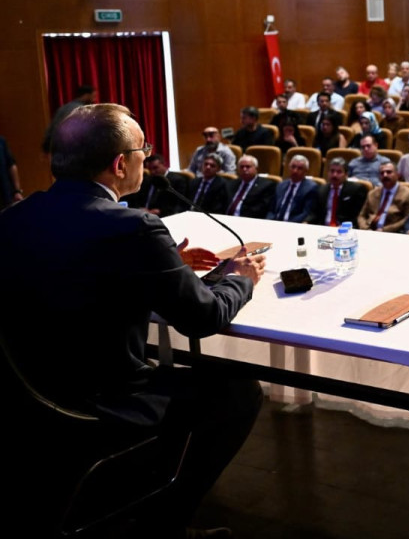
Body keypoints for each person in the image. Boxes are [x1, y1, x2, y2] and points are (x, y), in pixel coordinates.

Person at [2, 102, 265, 539]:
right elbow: (203, 317)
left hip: (30, 395)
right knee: (237, 393)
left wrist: (166, 263)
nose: (148, 157)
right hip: (102, 399)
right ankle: (165, 525)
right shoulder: (134, 228)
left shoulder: (12, 219)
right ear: (120, 164)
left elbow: (68, 267)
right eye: (145, 149)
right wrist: (240, 279)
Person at [357, 161, 409, 232]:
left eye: (389, 172)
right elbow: (362, 215)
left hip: (392, 232)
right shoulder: (372, 193)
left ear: (397, 175)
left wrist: (384, 230)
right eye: (382, 173)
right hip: (369, 230)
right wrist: (365, 229)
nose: (385, 175)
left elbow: (408, 219)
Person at [41, 83, 96, 152]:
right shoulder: (81, 110)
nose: (94, 100)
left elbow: (51, 128)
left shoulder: (63, 108)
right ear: (87, 95)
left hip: (58, 148)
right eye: (93, 96)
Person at [315, 158, 368, 227]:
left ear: (346, 174)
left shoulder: (356, 190)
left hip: (345, 230)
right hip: (323, 227)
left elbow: (358, 216)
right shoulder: (321, 189)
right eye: (332, 171)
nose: (334, 175)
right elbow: (315, 213)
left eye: (339, 172)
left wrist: (345, 226)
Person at [268, 155, 320, 222]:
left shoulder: (311, 188)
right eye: (293, 167)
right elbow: (271, 210)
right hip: (274, 223)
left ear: (306, 171)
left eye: (300, 168)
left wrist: (289, 224)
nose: (295, 171)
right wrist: (269, 221)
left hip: (293, 224)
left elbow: (306, 213)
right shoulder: (281, 185)